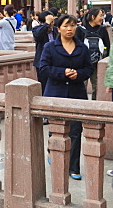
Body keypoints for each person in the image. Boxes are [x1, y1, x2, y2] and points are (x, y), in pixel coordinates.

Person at [38, 14, 93, 179]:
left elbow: (89, 69)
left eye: (73, 25)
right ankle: (53, 153)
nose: (70, 29)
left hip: (76, 94)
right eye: (66, 26)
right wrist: (62, 73)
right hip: (56, 93)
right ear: (58, 28)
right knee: (56, 129)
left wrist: (79, 74)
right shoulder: (50, 47)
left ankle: (73, 167)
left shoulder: (82, 48)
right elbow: (43, 68)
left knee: (76, 130)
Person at [81, 8, 111, 100]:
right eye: (100, 16)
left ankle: (94, 105)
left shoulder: (102, 29)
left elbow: (107, 46)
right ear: (93, 17)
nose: (102, 18)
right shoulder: (81, 29)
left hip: (97, 64)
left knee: (97, 86)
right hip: (83, 64)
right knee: (82, 86)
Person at [32, 11, 56, 78]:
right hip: (42, 63)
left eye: (52, 22)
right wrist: (47, 24)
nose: (51, 24)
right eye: (50, 22)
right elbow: (38, 35)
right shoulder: (37, 29)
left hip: (55, 64)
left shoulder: (56, 30)